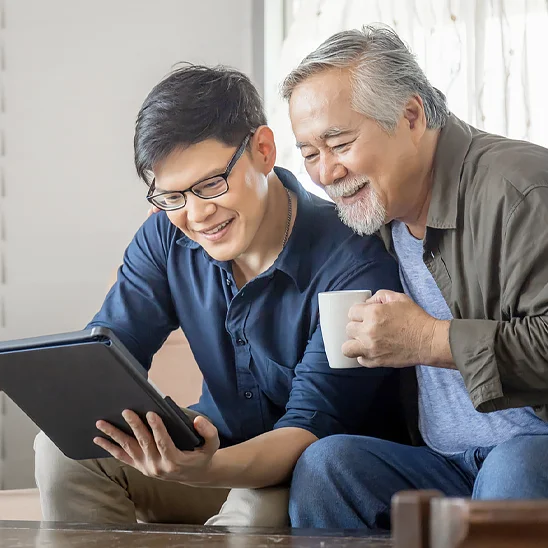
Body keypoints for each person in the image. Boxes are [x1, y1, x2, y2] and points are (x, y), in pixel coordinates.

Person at [34, 64, 406, 526]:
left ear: (264, 151)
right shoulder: (167, 238)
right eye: (171, 196)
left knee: (251, 514)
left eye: (211, 184)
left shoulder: (355, 262)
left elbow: (309, 429)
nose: (196, 214)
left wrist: (203, 468)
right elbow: (109, 355)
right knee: (62, 450)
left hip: (304, 470)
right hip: (211, 449)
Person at [282, 25, 548, 530]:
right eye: (310, 153)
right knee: (327, 467)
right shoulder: (378, 213)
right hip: (445, 465)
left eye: (339, 143)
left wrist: (427, 338)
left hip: (532, 454)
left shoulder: (522, 190)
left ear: (410, 115)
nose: (326, 173)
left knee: (513, 468)